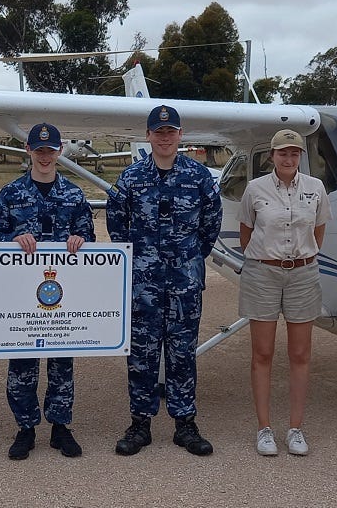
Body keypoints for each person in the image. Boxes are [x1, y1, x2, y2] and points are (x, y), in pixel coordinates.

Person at [106, 105, 222, 457]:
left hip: (184, 284)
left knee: (182, 353)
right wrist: (142, 260)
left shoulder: (199, 176)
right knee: (142, 353)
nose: (165, 137)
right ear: (148, 136)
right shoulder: (131, 178)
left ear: (180, 135)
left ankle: (184, 423)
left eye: (171, 131)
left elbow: (211, 225)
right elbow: (116, 222)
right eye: (159, 132)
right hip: (143, 285)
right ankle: (140, 423)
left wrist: (186, 259)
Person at [0, 122, 96, 460]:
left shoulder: (74, 195)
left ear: (59, 151)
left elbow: (89, 239)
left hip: (63, 295)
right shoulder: (11, 194)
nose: (45, 157)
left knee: (62, 359)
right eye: (39, 150)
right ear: (29, 152)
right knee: (22, 362)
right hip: (23, 296)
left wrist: (81, 241)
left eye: (50, 150)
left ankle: (60, 428)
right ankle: (25, 428)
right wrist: (12, 240)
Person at [237, 129, 330, 457]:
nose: (288, 158)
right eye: (282, 153)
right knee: (262, 353)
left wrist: (300, 257)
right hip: (262, 273)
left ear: (300, 156)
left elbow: (319, 231)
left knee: (300, 354)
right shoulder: (255, 189)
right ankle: (264, 429)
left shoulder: (315, 189)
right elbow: (246, 232)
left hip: (303, 274)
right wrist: (268, 259)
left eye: (294, 153)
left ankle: (295, 428)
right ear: (272, 156)